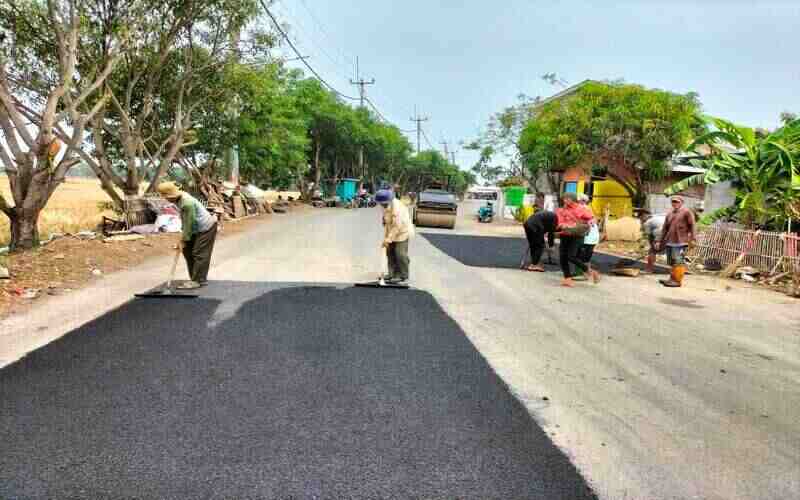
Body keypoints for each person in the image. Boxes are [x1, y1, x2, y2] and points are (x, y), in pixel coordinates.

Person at [157, 182, 218, 289]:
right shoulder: (178, 199)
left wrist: (183, 240)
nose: (165, 199)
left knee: (199, 252)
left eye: (165, 197)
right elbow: (185, 221)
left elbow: (189, 224)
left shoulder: (187, 203)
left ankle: (197, 280)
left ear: (170, 196)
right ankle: (196, 278)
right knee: (187, 250)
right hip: (195, 227)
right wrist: (183, 240)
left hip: (206, 227)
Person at [556, 192, 600, 287]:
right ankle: (567, 279)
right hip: (565, 234)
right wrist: (562, 225)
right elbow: (559, 222)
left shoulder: (581, 209)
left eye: (568, 199)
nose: (565, 201)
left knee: (571, 256)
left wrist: (590, 222)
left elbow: (592, 218)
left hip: (577, 235)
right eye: (564, 199)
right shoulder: (561, 210)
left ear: (573, 199)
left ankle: (591, 272)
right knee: (562, 257)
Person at [376, 189, 414, 285]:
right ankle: (391, 274)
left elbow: (397, 226)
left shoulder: (398, 208)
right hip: (392, 231)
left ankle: (403, 275)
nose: (381, 205)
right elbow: (387, 224)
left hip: (403, 232)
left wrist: (388, 240)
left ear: (389, 200)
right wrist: (385, 239)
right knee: (389, 252)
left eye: (383, 203)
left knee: (400, 253)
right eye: (380, 203)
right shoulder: (384, 206)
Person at [658, 195, 696, 287]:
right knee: (672, 262)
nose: (675, 203)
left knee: (678, 261)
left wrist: (693, 238)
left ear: (681, 203)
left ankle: (677, 281)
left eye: (677, 202)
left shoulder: (686, 212)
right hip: (670, 241)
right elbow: (664, 228)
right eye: (673, 202)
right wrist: (660, 240)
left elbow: (692, 225)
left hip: (680, 241)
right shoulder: (670, 213)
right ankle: (672, 279)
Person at [574, 194, 600, 281]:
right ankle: (586, 274)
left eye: (578, 201)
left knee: (582, 256)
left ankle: (585, 275)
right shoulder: (587, 208)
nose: (577, 203)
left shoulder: (583, 208)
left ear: (582, 201)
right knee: (586, 256)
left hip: (588, 236)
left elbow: (584, 223)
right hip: (591, 236)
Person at [638, 209, 666, 273]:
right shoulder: (656, 217)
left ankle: (649, 269)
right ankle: (674, 270)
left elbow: (648, 235)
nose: (640, 220)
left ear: (642, 216)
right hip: (674, 235)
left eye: (640, 219)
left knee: (652, 251)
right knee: (672, 252)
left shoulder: (647, 222)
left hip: (661, 234)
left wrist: (651, 246)